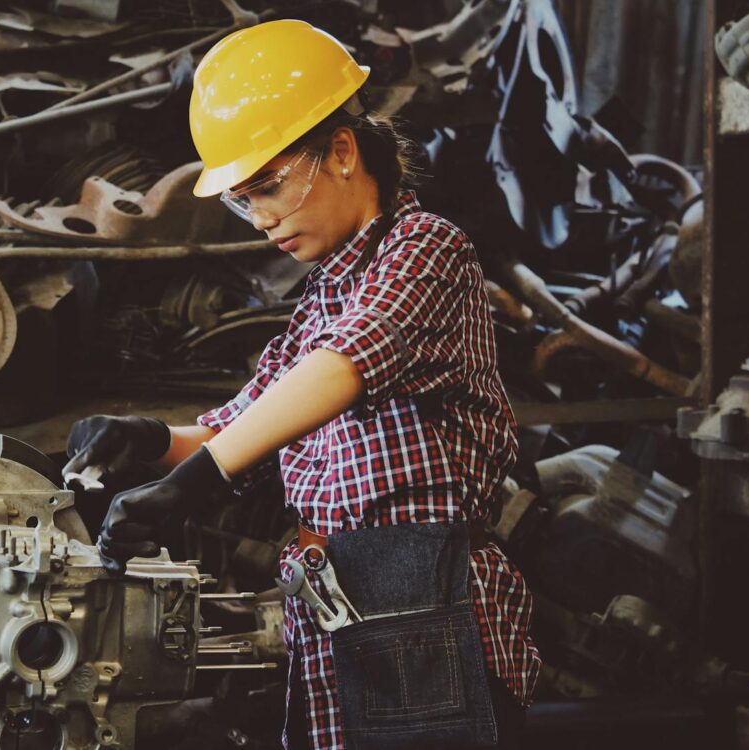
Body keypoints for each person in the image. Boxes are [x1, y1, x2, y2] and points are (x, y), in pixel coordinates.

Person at [61, 19, 540, 750]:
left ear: (342, 151)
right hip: (340, 604)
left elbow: (342, 368)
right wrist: (145, 440)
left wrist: (192, 485)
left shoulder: (427, 252)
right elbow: (243, 424)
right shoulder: (322, 297)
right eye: (242, 200)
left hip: (423, 606)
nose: (261, 219)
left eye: (270, 186)